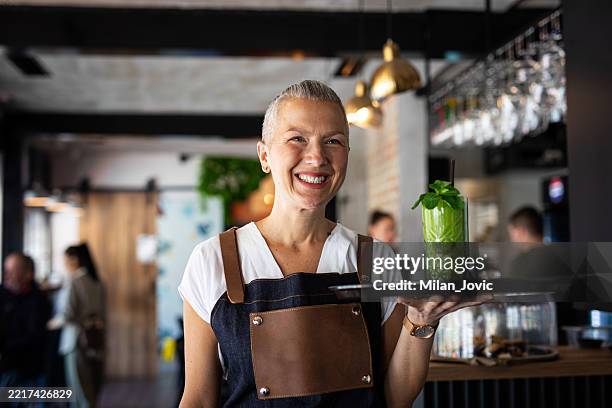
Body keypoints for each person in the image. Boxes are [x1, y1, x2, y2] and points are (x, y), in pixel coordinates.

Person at [179, 80, 485, 407]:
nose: (317, 156)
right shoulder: (213, 260)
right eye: (297, 138)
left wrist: (422, 323)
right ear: (264, 155)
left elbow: (395, 398)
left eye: (333, 141)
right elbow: (198, 398)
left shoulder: (375, 258)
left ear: (347, 156)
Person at [57, 244, 105, 408]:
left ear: (75, 259)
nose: (64, 263)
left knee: (79, 389)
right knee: (92, 385)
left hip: (75, 340)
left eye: (65, 259)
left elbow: (68, 314)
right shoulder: (96, 281)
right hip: (94, 337)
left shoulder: (74, 281)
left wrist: (54, 322)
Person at [0, 253, 52, 388]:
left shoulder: (39, 301)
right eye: (6, 271)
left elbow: (35, 335)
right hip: (5, 368)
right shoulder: (3, 295)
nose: (7, 276)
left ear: (28, 274)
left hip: (30, 372)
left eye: (12, 272)